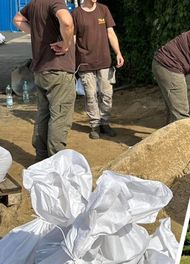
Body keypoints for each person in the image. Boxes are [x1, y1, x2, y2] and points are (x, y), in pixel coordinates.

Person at [13, 0, 75, 162]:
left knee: (43, 114)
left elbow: (17, 19)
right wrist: (66, 44)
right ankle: (55, 162)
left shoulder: (35, 4)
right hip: (58, 70)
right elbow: (67, 22)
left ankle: (41, 159)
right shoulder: (56, 2)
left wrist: (35, 33)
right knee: (59, 115)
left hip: (41, 71)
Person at [72, 0, 124, 139]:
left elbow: (111, 33)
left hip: (104, 60)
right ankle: (94, 125)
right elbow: (73, 38)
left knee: (107, 94)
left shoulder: (103, 9)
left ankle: (105, 123)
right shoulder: (76, 13)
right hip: (85, 62)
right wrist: (69, 57)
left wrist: (118, 53)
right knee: (90, 95)